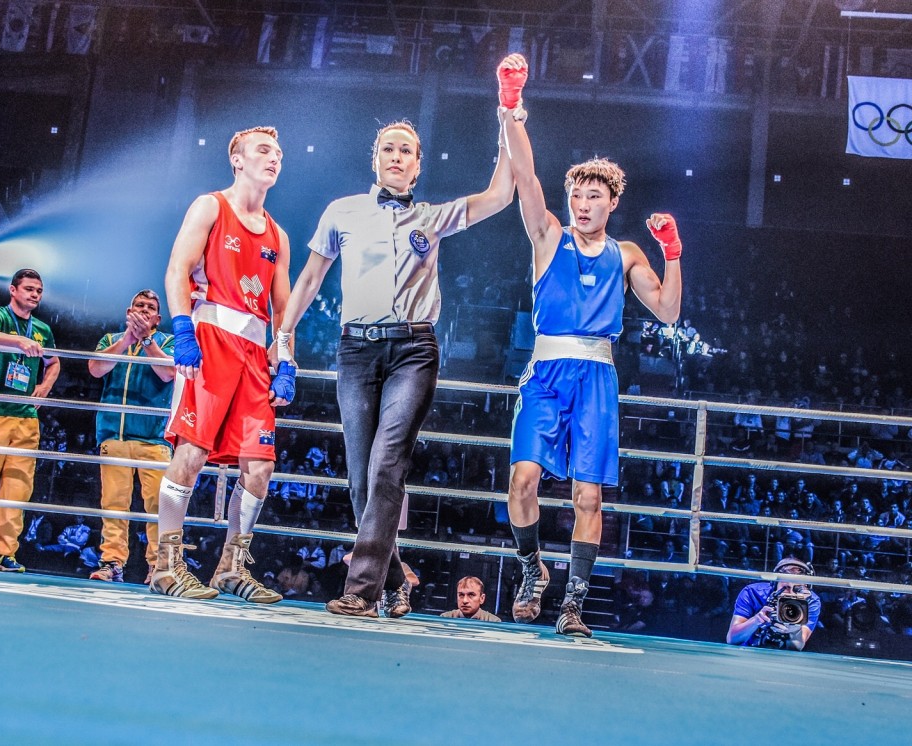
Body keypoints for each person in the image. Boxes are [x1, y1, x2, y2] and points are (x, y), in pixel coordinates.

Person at [272, 109, 514, 618]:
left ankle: (360, 591)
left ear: (418, 165)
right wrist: (283, 335)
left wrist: (508, 118)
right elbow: (312, 277)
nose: (397, 156)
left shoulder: (432, 216)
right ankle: (396, 580)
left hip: (413, 350)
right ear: (375, 159)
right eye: (389, 148)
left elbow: (500, 196)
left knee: (386, 466)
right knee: (361, 478)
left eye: (406, 150)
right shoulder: (342, 211)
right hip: (355, 350)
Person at [498, 53, 683, 637]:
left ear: (612, 202)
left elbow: (669, 310)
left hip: (597, 377)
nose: (582, 203)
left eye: (593, 196)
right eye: (576, 194)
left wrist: (672, 252)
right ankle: (533, 570)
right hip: (547, 371)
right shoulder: (548, 236)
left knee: (587, 498)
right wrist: (511, 108)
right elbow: (525, 176)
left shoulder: (625, 254)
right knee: (522, 480)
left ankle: (573, 603)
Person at [151, 125, 293, 602]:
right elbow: (176, 267)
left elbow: (283, 310)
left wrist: (287, 360)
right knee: (190, 454)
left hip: (255, 356)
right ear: (237, 159)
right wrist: (182, 329)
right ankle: (166, 567)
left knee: (260, 466)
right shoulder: (210, 205)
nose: (273, 157)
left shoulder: (278, 234)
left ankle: (231, 568)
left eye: (278, 152)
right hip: (210, 340)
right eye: (263, 150)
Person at [0, 268, 60, 571]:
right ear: (13, 290)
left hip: (25, 418)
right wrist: (18, 342)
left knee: (16, 489)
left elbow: (53, 361)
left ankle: (6, 552)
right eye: (29, 288)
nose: (34, 294)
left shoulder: (43, 328)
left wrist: (43, 389)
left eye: (39, 291)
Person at [86, 290, 175, 583]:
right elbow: (96, 369)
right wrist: (127, 340)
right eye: (140, 306)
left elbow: (167, 374)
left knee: (157, 506)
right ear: (129, 311)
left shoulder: (167, 341)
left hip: (155, 438)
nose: (144, 310)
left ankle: (158, 566)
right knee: (113, 503)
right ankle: (112, 563)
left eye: (150, 308)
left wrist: (146, 339)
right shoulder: (111, 339)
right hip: (115, 434)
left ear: (158, 318)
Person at [727, 557, 822, 651]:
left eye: (798, 589)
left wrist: (795, 631)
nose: (792, 594)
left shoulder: (811, 601)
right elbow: (732, 639)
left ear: (806, 586)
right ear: (775, 584)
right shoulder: (752, 592)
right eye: (786, 587)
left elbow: (798, 647)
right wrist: (757, 620)